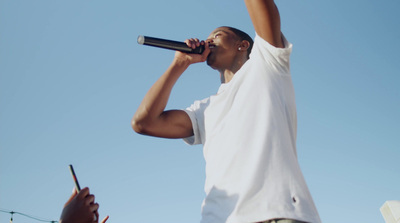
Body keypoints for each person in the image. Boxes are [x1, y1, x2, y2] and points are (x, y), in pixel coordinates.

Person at [132, 0, 321, 222]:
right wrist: (179, 64)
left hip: (277, 212)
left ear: (242, 46)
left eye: (217, 35)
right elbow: (144, 122)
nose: (208, 40)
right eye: (208, 37)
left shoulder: (267, 64)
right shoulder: (203, 109)